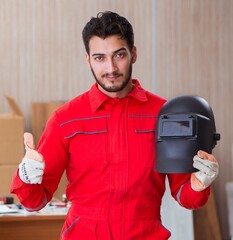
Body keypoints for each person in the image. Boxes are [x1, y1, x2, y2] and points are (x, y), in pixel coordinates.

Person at [10, 11, 219, 240]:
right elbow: (34, 202)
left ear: (134, 54)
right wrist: (26, 176)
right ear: (88, 59)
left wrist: (199, 184)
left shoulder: (163, 114)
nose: (110, 68)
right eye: (100, 58)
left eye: (119, 55)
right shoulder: (66, 119)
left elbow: (184, 196)